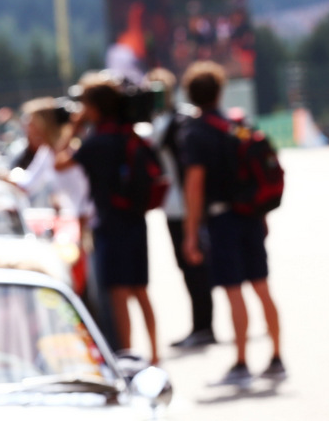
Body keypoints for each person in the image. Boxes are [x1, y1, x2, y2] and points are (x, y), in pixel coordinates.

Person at [180, 61, 283, 388]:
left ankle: (241, 361)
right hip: (251, 215)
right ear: (220, 91)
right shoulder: (238, 125)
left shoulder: (195, 133)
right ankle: (277, 356)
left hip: (222, 218)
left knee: (234, 291)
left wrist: (190, 233)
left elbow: (195, 186)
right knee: (262, 287)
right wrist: (261, 214)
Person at [55, 73, 158, 364]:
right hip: (136, 220)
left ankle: (126, 357)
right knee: (141, 290)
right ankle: (156, 353)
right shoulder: (130, 133)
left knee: (118, 294)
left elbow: (59, 162)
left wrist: (73, 128)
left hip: (110, 225)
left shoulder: (95, 142)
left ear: (94, 107)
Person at [148, 68, 215, 349]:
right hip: (173, 204)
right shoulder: (161, 121)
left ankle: (203, 326)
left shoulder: (181, 120)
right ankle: (200, 325)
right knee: (188, 267)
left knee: (196, 266)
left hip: (186, 203)